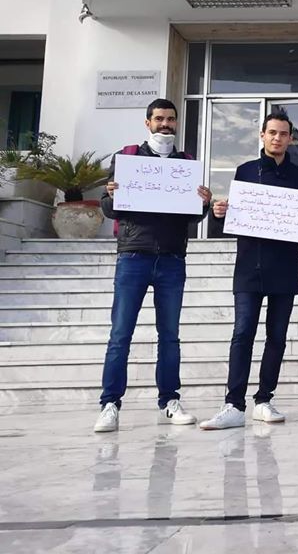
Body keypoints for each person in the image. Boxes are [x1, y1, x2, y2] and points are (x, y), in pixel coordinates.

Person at [199, 109, 298, 430]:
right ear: (262, 135)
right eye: (272, 133)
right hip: (249, 267)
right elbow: (234, 219)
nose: (277, 138)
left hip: (285, 265)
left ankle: (264, 399)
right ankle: (233, 404)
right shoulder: (245, 171)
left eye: (283, 134)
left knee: (276, 336)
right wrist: (220, 213)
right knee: (242, 334)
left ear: (290, 139)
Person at [96, 98, 211, 433]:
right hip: (134, 255)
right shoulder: (128, 158)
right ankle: (110, 404)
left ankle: (169, 401)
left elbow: (192, 216)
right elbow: (109, 208)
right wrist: (111, 194)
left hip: (172, 258)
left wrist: (203, 204)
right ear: (148, 123)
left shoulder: (186, 163)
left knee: (170, 335)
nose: (165, 124)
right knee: (120, 334)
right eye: (159, 118)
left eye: (170, 119)